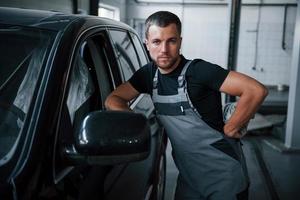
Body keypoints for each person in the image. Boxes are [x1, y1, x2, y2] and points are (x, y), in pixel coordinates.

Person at [105, 11, 268, 200]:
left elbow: (256, 90)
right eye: (157, 42)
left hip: (224, 177)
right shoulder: (148, 75)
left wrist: (232, 128)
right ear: (147, 44)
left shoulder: (199, 71)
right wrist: (135, 124)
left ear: (180, 42)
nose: (164, 49)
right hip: (189, 179)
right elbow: (113, 99)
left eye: (171, 41)